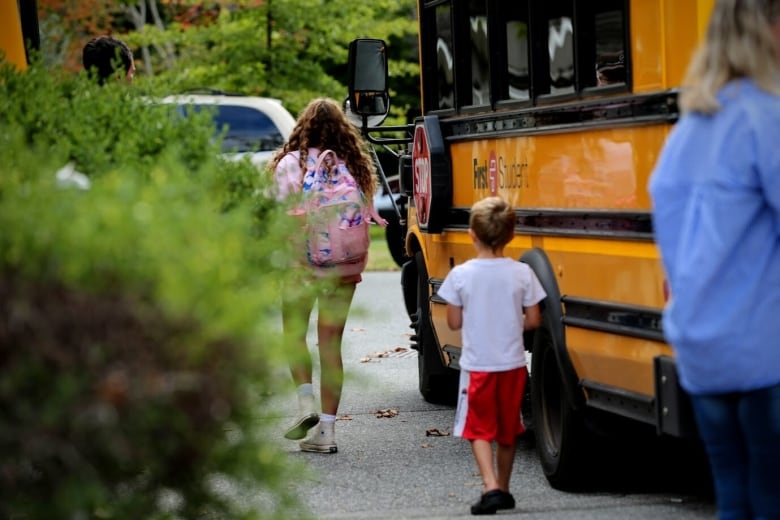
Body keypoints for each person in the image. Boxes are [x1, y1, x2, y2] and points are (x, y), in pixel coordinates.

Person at [648, 0, 780, 518]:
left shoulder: (687, 131)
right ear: (764, 30)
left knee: (732, 494)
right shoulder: (766, 116)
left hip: (701, 349)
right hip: (763, 347)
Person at [269, 98, 386, 454]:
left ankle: (306, 406)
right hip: (344, 265)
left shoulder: (290, 164)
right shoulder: (352, 164)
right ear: (342, 129)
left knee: (293, 335)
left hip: (300, 264)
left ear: (302, 126)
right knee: (330, 344)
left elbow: (277, 215)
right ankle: (328, 433)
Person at [436, 196, 545, 515]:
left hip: (477, 367)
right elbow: (535, 320)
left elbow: (454, 322)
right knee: (508, 427)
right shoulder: (522, 272)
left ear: (472, 233)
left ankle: (490, 486)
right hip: (512, 366)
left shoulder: (460, 276)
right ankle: (505, 487)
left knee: (477, 429)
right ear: (511, 234)